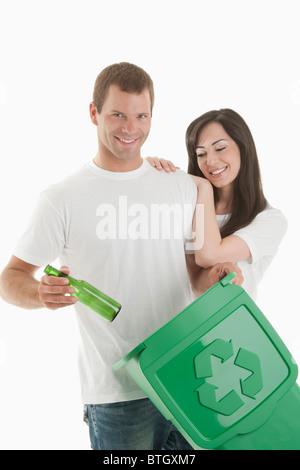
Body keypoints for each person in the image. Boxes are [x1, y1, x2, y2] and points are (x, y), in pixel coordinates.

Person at [0, 63, 243, 451]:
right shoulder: (62, 198)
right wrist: (39, 293)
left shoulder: (181, 186)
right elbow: (10, 278)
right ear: (94, 113)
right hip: (117, 395)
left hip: (190, 380)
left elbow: (193, 277)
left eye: (141, 115)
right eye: (117, 114)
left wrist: (216, 275)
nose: (131, 128)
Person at [147, 108, 287, 300]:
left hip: (236, 325)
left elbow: (209, 255)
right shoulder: (189, 209)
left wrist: (203, 187)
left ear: (243, 148)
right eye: (201, 154)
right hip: (189, 326)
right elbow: (196, 283)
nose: (210, 161)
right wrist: (146, 172)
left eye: (220, 148)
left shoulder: (270, 220)